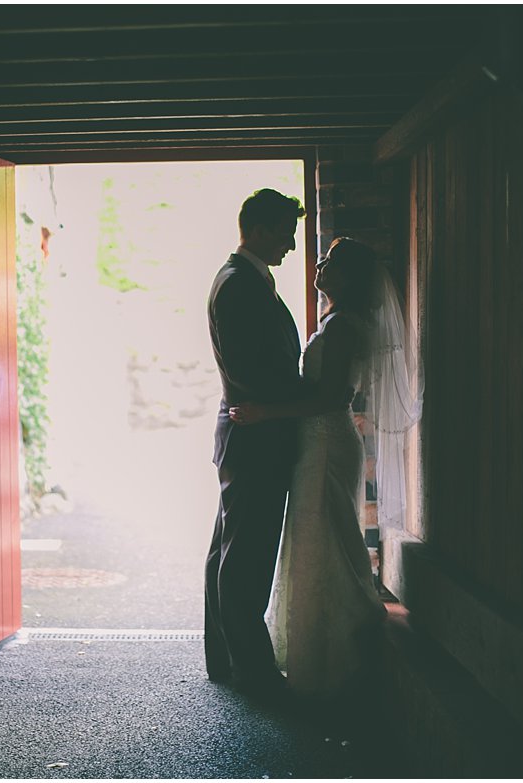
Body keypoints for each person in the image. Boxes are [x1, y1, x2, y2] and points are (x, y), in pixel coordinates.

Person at [229, 237, 423, 701]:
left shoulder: (342, 328)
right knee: (319, 538)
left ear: (350, 277)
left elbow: (330, 398)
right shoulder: (336, 321)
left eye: (332, 261)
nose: (319, 264)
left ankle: (334, 655)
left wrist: (265, 413)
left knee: (325, 540)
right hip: (319, 442)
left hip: (326, 442)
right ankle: (314, 651)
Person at [204, 188, 306, 700]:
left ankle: (225, 658)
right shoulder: (240, 285)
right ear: (262, 229)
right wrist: (300, 402)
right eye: (286, 232)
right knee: (246, 556)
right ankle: (252, 671)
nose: (291, 244)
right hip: (254, 433)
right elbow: (250, 370)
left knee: (229, 548)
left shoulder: (243, 279)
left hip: (249, 432)